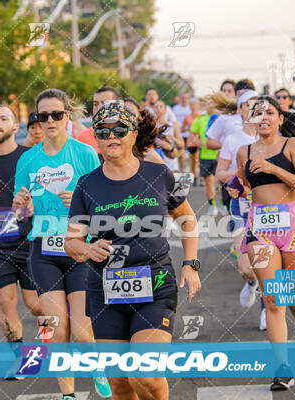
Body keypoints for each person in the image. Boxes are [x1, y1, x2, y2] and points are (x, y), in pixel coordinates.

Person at [65, 102, 201, 399]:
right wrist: (88, 250)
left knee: (146, 375)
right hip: (105, 290)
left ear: (133, 133)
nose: (111, 137)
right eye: (103, 132)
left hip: (155, 283)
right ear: (96, 139)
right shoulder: (86, 185)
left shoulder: (159, 174)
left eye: (119, 130)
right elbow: (71, 242)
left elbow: (188, 219)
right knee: (119, 383)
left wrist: (191, 264)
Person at [12, 89, 111, 400]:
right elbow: (18, 213)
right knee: (58, 329)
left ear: (69, 116)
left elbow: (104, 205)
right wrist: (21, 206)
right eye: (44, 116)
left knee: (82, 331)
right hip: (43, 250)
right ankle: (68, 395)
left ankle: (98, 371)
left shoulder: (84, 154)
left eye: (57, 114)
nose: (50, 121)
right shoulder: (27, 159)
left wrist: (81, 203)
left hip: (80, 248)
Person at [234, 95, 295, 390]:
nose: (264, 117)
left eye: (270, 112)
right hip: (260, 228)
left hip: (293, 226)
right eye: (258, 113)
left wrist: (275, 169)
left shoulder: (291, 146)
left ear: (280, 118)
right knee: (273, 298)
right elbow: (243, 183)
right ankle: (282, 367)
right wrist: (236, 188)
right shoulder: (243, 151)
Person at [0, 105, 44, 379]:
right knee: (6, 303)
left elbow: (46, 193)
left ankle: (45, 347)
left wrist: (35, 206)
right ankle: (22, 361)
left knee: (37, 305)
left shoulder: (28, 157)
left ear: (14, 126)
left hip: (30, 241)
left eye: (3, 118)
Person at [214, 90, 265, 329]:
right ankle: (251, 283)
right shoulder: (233, 139)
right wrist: (240, 174)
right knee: (247, 268)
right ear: (240, 110)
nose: (253, 108)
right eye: (248, 105)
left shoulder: (274, 136)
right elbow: (219, 174)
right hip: (241, 206)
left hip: (269, 207)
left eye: (258, 104)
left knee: (268, 263)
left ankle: (268, 308)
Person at [189, 97, 221, 216]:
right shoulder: (200, 119)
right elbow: (192, 133)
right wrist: (196, 142)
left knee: (221, 182)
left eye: (210, 103)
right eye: (206, 103)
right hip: (205, 155)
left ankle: (223, 204)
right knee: (208, 183)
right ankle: (212, 206)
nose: (208, 105)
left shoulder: (221, 118)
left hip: (219, 155)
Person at [75, 86, 123, 155]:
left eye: (105, 103)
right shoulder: (82, 139)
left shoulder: (127, 135)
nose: (99, 108)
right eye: (95, 104)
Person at [153, 100, 184, 172]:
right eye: (156, 107)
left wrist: (173, 138)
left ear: (165, 110)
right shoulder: (151, 127)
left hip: (171, 163)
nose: (158, 109)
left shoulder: (172, 126)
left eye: (161, 107)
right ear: (153, 109)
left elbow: (182, 145)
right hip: (156, 162)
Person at [182, 98, 202, 185]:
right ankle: (194, 178)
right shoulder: (187, 117)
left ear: (197, 106)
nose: (193, 107)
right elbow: (182, 129)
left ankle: (199, 178)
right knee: (192, 161)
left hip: (199, 140)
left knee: (197, 160)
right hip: (190, 141)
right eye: (191, 105)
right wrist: (189, 129)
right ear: (189, 106)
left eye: (195, 105)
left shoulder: (201, 116)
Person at [173, 93, 192, 171]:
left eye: (186, 98)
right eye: (182, 98)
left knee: (192, 155)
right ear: (180, 99)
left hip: (190, 135)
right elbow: (173, 121)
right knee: (181, 153)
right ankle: (182, 169)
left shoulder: (190, 108)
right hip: (179, 135)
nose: (184, 100)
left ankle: (192, 171)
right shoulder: (175, 108)